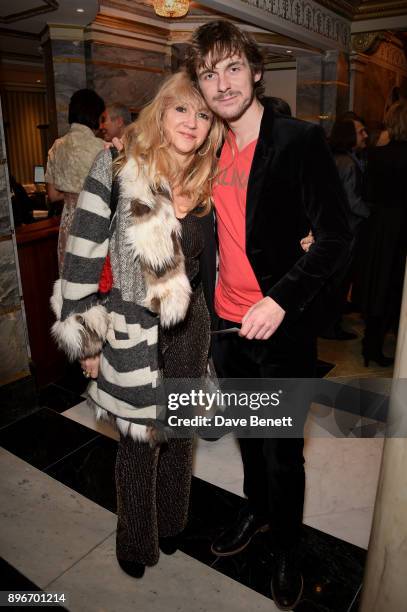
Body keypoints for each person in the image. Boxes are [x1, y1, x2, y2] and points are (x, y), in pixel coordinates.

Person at [185, 20, 351, 610]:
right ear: (200, 87)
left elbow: (335, 236)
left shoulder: (299, 140)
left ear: (256, 72)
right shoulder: (205, 147)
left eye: (233, 68)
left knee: (284, 451)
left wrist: (281, 298)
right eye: (209, 74)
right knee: (251, 440)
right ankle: (256, 513)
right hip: (225, 327)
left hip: (280, 328)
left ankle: (288, 546)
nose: (222, 83)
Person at [50, 71, 224, 579]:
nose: (192, 122)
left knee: (179, 437)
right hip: (131, 330)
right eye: (181, 110)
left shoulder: (208, 176)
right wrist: (86, 339)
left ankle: (171, 524)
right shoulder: (119, 162)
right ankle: (134, 541)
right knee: (136, 443)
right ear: (160, 112)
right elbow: (82, 253)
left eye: (203, 114)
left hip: (190, 332)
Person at [353, 101, 407, 367]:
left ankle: (370, 345)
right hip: (399, 228)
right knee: (394, 286)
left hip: (376, 227)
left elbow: (367, 193)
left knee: (377, 284)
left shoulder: (375, 155)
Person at [318, 119, 371, 340]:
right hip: (346, 229)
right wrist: (374, 215)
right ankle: (331, 327)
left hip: (334, 228)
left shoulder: (335, 158)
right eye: (360, 132)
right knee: (338, 281)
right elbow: (352, 200)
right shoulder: (347, 163)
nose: (365, 135)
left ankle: (328, 324)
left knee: (333, 280)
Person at [45, 89, 105, 273]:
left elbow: (53, 195)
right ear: (94, 115)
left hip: (68, 225)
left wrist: (71, 193)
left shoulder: (57, 147)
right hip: (95, 222)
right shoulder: (102, 148)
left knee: (71, 283)